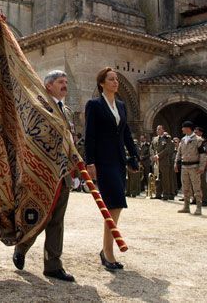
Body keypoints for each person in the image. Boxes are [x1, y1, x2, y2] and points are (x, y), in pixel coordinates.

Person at [12, 70, 75, 282]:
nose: (64, 85)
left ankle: (53, 265)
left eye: (66, 82)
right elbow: (30, 135)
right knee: (40, 216)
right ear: (49, 86)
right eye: (60, 82)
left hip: (63, 174)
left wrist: (75, 169)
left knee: (57, 220)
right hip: (42, 173)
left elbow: (71, 144)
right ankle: (22, 247)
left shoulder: (67, 111)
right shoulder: (39, 108)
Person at [84, 67, 139, 271]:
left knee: (115, 205)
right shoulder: (94, 105)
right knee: (113, 204)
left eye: (116, 79)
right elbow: (90, 135)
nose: (116, 82)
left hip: (118, 160)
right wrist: (90, 163)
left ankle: (106, 249)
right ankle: (108, 252)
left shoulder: (122, 106)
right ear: (102, 83)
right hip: (103, 161)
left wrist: (134, 155)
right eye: (111, 79)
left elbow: (126, 133)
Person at [174, 121, 207, 215]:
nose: (182, 129)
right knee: (185, 187)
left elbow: (202, 154)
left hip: (194, 166)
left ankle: (199, 207)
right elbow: (179, 153)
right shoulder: (183, 140)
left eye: (183, 127)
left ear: (188, 128)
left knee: (196, 187)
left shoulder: (198, 140)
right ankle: (186, 206)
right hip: (184, 166)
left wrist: (202, 167)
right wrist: (176, 163)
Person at [150, 125, 174, 200]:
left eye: (159, 129)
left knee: (165, 179)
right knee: (157, 178)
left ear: (163, 130)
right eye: (157, 129)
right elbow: (151, 148)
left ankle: (166, 194)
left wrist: (158, 155)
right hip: (156, 162)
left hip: (164, 161)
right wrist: (153, 155)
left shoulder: (167, 138)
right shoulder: (154, 139)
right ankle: (158, 194)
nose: (158, 130)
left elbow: (167, 149)